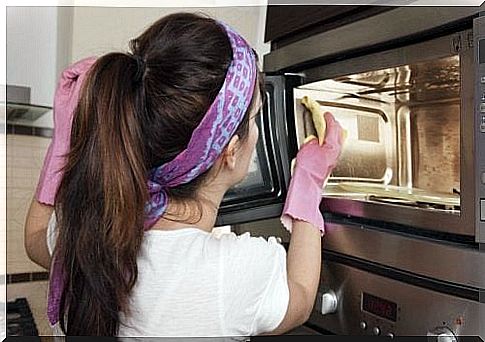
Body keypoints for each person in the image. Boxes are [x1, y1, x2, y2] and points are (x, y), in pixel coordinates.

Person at [24, 12, 344, 337]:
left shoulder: (86, 229)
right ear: (230, 153)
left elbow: (35, 238)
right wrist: (308, 184)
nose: (258, 131)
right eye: (255, 117)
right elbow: (301, 297)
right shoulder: (231, 273)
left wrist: (66, 139)